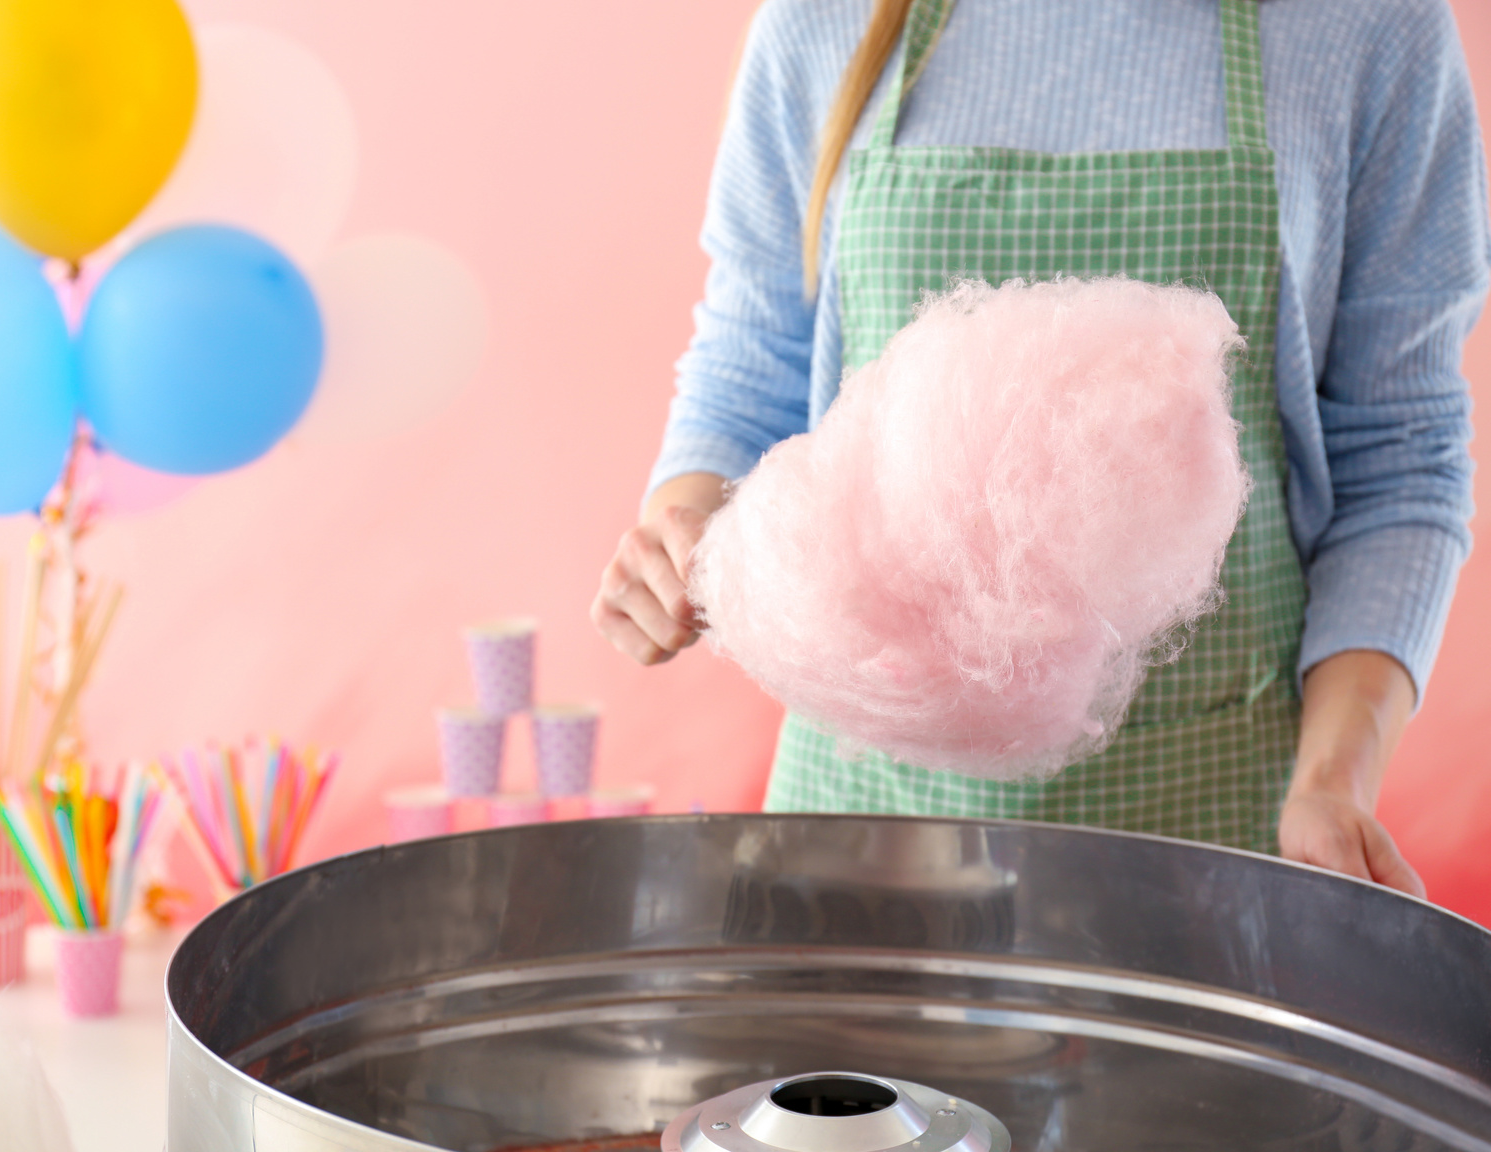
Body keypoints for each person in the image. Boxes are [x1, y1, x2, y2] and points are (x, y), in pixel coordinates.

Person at [593, 0, 1489, 895]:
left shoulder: (1367, 25)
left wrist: (1335, 780)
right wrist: (680, 526)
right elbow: (752, 369)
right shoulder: (821, 20)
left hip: (1223, 839)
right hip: (861, 828)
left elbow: (1399, 456)